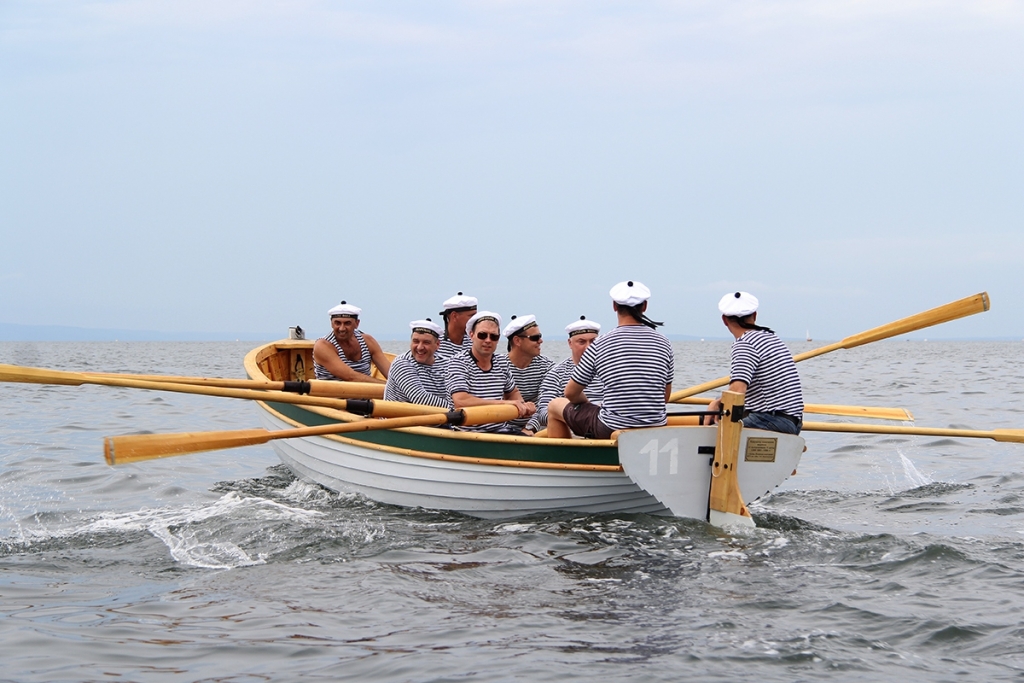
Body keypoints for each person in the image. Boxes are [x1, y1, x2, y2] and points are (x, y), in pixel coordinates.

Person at [547, 281, 674, 439]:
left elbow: (571, 393)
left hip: (610, 427)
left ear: (614, 306)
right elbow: (665, 397)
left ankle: (565, 460)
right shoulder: (664, 343)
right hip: (657, 425)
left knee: (554, 405)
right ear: (645, 306)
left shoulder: (600, 344)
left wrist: (588, 406)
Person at [704, 291, 804, 434]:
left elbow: (738, 390)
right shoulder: (771, 338)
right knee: (720, 404)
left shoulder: (745, 343)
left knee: (709, 430)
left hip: (771, 420)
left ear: (724, 320)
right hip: (792, 420)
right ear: (755, 315)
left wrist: (715, 404)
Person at [445, 311, 536, 433]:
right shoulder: (458, 362)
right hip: (465, 434)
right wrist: (504, 404)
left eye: (494, 336)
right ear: (471, 335)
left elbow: (512, 392)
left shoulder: (502, 362)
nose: (488, 340)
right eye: (482, 335)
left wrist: (522, 405)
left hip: (500, 430)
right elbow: (461, 401)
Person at [527, 316, 604, 434]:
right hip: (573, 433)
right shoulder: (556, 374)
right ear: (570, 343)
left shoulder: (609, 370)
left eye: (593, 342)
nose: (588, 347)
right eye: (582, 342)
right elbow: (543, 413)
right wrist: (578, 417)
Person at [312, 301, 392, 384]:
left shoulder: (368, 341)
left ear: (357, 324)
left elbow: (391, 374)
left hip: (364, 396)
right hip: (332, 396)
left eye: (347, 323)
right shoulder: (323, 346)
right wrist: (388, 387)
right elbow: (350, 377)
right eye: (337, 323)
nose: (342, 328)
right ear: (331, 323)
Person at [501, 315, 554, 435]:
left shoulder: (547, 366)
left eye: (540, 337)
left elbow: (547, 404)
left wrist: (530, 428)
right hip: (503, 429)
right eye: (535, 337)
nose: (540, 341)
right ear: (517, 341)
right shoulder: (498, 366)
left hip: (537, 430)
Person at [384, 318, 453, 409]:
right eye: (416, 341)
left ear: (437, 345)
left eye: (426, 342)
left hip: (440, 420)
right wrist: (458, 410)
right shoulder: (402, 364)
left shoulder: (447, 364)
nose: (420, 347)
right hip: (401, 420)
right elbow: (421, 399)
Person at [436, 292, 478, 360]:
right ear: (454, 316)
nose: (475, 320)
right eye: (471, 316)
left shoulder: (474, 343)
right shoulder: (435, 344)